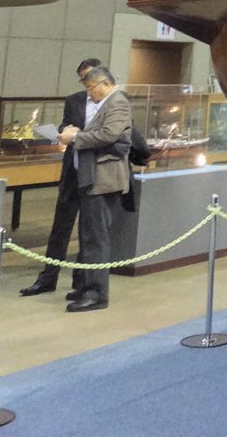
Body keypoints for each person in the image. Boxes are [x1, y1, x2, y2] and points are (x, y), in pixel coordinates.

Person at [20, 57, 102, 298]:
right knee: (60, 227)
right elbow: (66, 124)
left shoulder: (111, 102)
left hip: (96, 172)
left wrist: (81, 135)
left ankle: (81, 281)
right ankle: (48, 278)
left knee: (88, 229)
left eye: (89, 77)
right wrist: (65, 130)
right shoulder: (74, 100)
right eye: (82, 79)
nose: (86, 82)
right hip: (72, 169)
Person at [58, 66, 132, 312]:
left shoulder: (118, 102)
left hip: (104, 179)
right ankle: (86, 286)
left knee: (96, 239)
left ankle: (97, 293)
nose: (89, 94)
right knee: (88, 236)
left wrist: (75, 137)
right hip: (91, 178)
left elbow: (108, 135)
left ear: (104, 84)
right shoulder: (106, 103)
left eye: (91, 88)